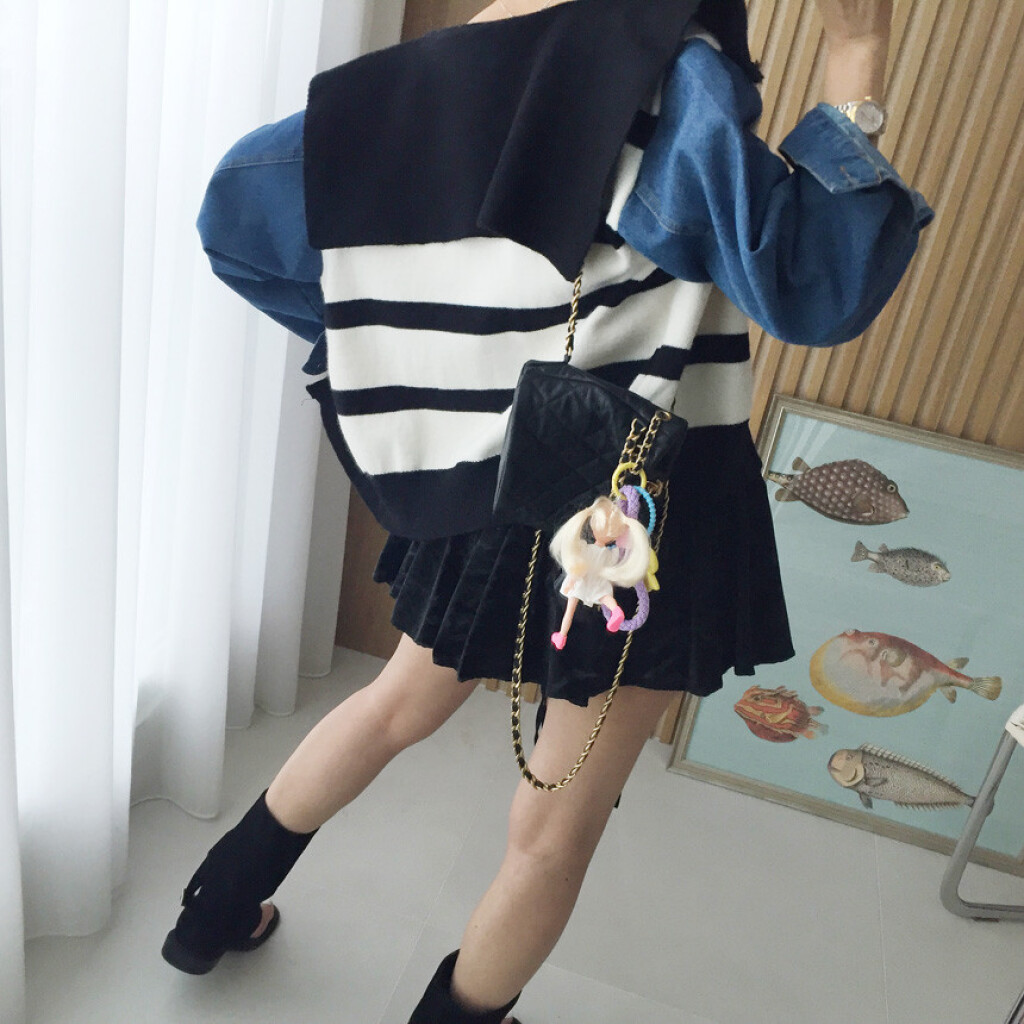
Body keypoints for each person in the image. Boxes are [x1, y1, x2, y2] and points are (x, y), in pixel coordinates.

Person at [161, 1, 932, 1021]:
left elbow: (239, 219)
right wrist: (855, 51)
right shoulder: (671, 74)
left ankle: (210, 912)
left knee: (396, 704)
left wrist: (426, 366)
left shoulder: (453, 60)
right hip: (648, 498)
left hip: (500, 465)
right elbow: (814, 286)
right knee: (554, 827)